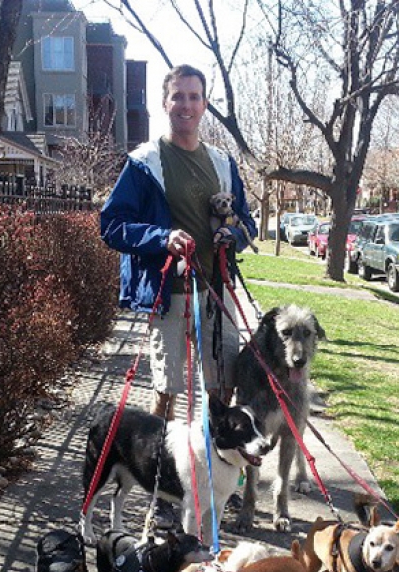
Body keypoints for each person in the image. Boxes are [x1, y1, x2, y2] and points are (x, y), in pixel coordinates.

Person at [101, 64, 257, 526]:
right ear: (164, 102)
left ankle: (216, 478)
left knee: (220, 388)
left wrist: (234, 235)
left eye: (194, 96)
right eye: (178, 96)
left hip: (216, 291)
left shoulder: (223, 163)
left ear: (204, 104)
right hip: (169, 293)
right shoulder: (144, 162)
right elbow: (112, 224)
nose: (186, 105)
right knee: (168, 391)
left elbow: (246, 222)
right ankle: (163, 486)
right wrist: (160, 237)